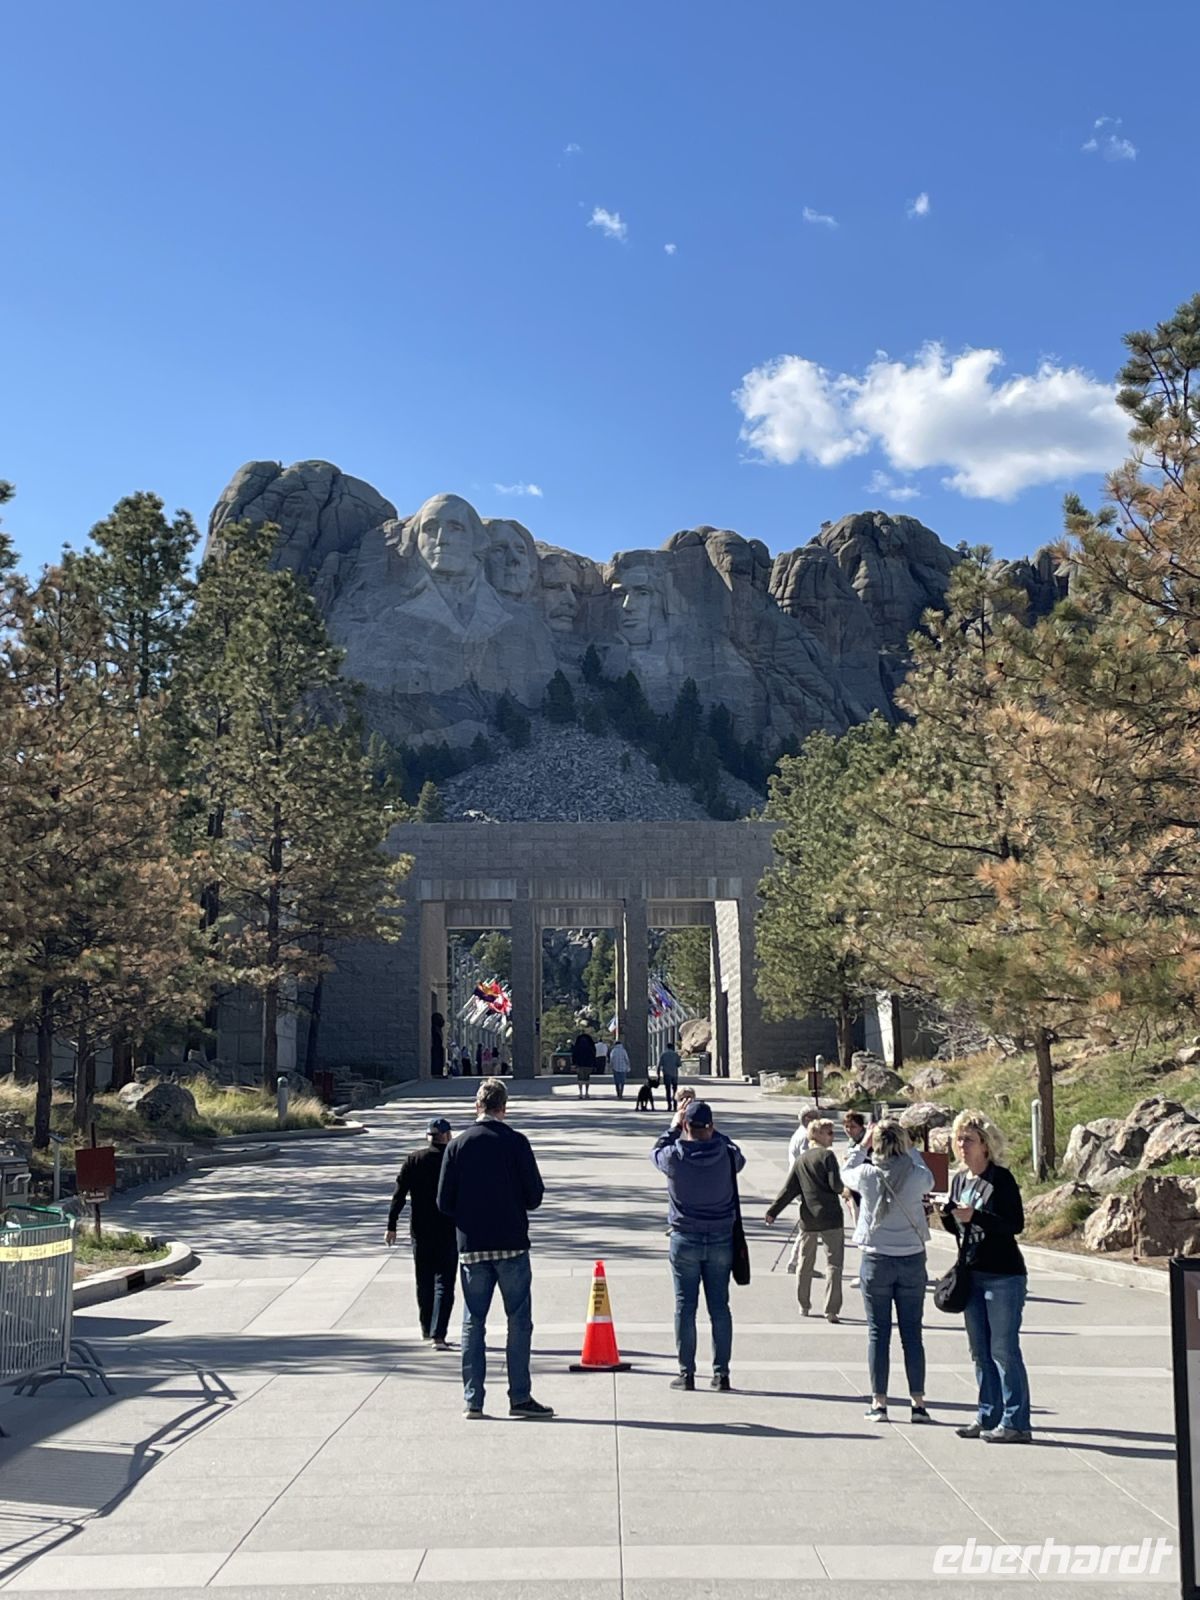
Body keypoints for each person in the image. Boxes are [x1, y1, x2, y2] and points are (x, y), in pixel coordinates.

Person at [436, 1078, 553, 1421]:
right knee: (519, 1321)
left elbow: (443, 1202)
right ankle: (520, 1396)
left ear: (477, 1106)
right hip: (512, 1244)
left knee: (474, 1322)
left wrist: (469, 1215)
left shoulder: (457, 1146)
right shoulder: (516, 1142)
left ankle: (474, 1400)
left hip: (473, 1246)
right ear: (505, 1107)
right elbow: (534, 1197)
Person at [941, 1109, 1032, 1444]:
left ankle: (1016, 1421)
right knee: (979, 1350)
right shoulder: (960, 1179)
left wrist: (977, 1216)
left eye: (969, 1140)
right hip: (972, 1274)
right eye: (959, 1139)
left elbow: (1014, 1225)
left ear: (985, 1145)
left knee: (1004, 1349)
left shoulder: (1001, 1179)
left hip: (1003, 1275)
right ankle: (987, 1414)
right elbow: (958, 1227)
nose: (962, 1145)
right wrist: (948, 1216)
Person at [841, 1118, 935, 1424]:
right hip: (911, 1257)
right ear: (903, 1143)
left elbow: (846, 1171)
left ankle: (879, 1402)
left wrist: (862, 1143)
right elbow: (930, 1177)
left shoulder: (868, 1174)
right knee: (913, 1334)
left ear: (877, 1144)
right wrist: (910, 1148)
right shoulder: (916, 1175)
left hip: (876, 1259)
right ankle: (918, 1403)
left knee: (878, 1333)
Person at [651, 1099, 745, 1393]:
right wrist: (714, 1133)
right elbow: (738, 1154)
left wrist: (673, 1126)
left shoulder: (674, 1158)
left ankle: (686, 1372)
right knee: (719, 1307)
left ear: (685, 1126)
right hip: (720, 1237)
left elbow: (655, 1151)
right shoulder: (727, 1156)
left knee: (685, 1307)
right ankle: (721, 1373)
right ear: (712, 1126)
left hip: (685, 1237)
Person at [386, 1117, 459, 1349]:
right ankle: (439, 1334)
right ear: (447, 1136)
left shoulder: (414, 1160)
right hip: (448, 1228)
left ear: (429, 1136)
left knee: (423, 1280)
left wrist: (391, 1225)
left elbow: (399, 1194)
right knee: (444, 1283)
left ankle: (426, 1327)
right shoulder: (455, 1160)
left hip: (420, 1229)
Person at [765, 1117, 845, 1322]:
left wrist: (773, 1211)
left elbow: (789, 1189)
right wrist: (845, 1188)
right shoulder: (827, 1156)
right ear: (816, 1134)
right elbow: (835, 1185)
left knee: (805, 1262)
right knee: (833, 1264)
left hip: (808, 1217)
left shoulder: (801, 1160)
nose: (832, 1136)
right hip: (831, 1216)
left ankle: (804, 1304)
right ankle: (831, 1309)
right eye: (829, 1132)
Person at [572, 1031, 596, 1099]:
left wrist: (574, 1063)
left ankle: (580, 1093)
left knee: (580, 1079)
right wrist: (594, 1064)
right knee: (587, 1078)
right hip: (588, 1064)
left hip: (579, 1064)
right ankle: (586, 1092)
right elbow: (594, 1054)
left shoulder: (577, 1045)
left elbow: (574, 1054)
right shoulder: (590, 1046)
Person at [658, 1036, 681, 1105]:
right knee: (674, 1089)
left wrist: (658, 1074)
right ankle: (675, 1103)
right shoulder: (676, 1054)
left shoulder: (663, 1054)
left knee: (667, 1090)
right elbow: (679, 1064)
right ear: (672, 1047)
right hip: (674, 1074)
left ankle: (669, 1104)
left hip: (666, 1074)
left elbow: (659, 1065)